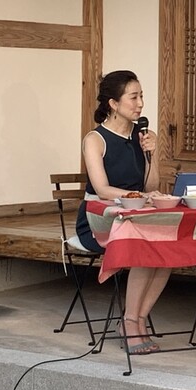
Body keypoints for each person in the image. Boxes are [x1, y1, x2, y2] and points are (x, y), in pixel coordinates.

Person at [75, 70, 167, 355]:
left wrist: (154, 153)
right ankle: (129, 322)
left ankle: (137, 319)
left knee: (166, 251)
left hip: (134, 215)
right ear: (114, 103)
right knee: (143, 248)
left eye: (142, 96)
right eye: (134, 97)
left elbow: (151, 185)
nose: (140, 104)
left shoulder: (143, 136)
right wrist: (137, 196)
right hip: (99, 218)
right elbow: (102, 189)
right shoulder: (96, 139)